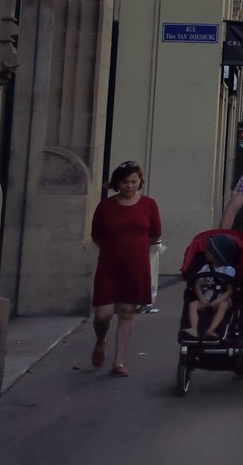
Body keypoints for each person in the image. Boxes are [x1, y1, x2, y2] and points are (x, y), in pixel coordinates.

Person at [90, 161, 162, 376]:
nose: (130, 186)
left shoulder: (149, 205)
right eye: (125, 182)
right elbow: (96, 236)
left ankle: (118, 362)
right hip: (109, 265)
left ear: (140, 182)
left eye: (134, 181)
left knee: (127, 312)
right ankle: (101, 339)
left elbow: (155, 235)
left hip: (136, 266)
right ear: (116, 183)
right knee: (103, 314)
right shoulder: (106, 206)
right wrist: (114, 249)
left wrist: (136, 249)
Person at [182, 234, 237, 340]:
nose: (205, 252)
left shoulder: (229, 270)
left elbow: (230, 289)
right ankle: (194, 329)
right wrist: (201, 298)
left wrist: (218, 300)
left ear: (217, 254)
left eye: (208, 250)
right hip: (205, 297)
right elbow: (197, 284)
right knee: (193, 304)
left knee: (223, 305)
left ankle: (212, 329)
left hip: (221, 298)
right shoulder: (205, 268)